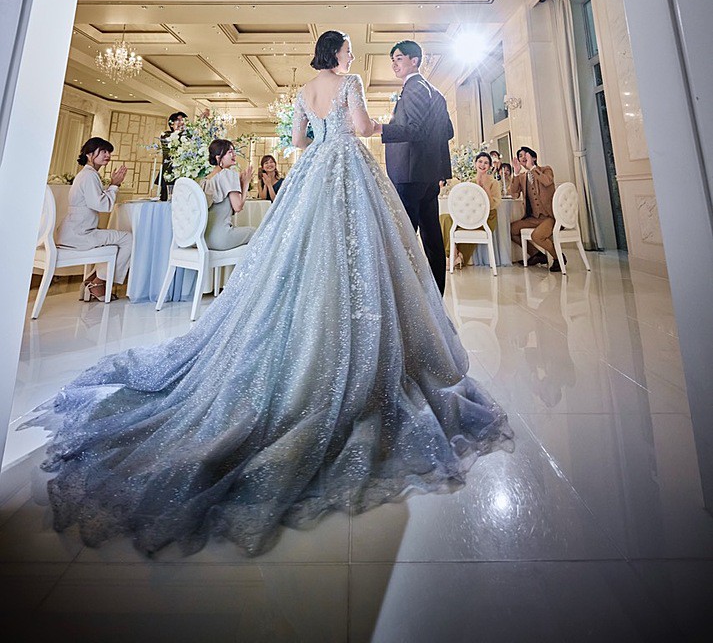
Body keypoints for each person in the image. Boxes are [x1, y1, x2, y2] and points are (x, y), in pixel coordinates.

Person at [25, 30, 512, 559]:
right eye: (348, 48)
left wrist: (326, 130)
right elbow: (360, 128)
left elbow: (298, 142)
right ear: (338, 53)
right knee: (362, 252)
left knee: (300, 256)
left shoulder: (304, 89)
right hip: (349, 168)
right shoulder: (349, 81)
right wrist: (373, 126)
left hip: (313, 173)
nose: (352, 55)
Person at [377, 39, 454, 295]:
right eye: (392, 60)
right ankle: (435, 294)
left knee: (406, 237)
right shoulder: (436, 92)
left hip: (410, 174)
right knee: (432, 237)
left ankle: (408, 298)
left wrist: (380, 128)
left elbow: (414, 130)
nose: (394, 64)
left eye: (399, 58)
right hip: (428, 175)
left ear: (414, 60)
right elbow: (448, 132)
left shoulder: (414, 88)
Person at [57, 137, 132, 301]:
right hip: (80, 234)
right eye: (103, 151)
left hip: (73, 232)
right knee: (128, 239)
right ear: (89, 154)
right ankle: (98, 283)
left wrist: (112, 184)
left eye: (109, 152)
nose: (108, 155)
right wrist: (114, 185)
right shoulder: (89, 176)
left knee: (115, 242)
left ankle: (92, 280)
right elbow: (102, 205)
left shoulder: (87, 174)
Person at [509, 146, 565, 272]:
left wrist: (532, 168)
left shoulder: (546, 170)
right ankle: (536, 254)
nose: (522, 158)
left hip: (550, 217)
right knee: (512, 230)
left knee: (537, 236)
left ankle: (558, 258)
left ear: (533, 157)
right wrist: (516, 173)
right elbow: (514, 193)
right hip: (534, 218)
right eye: (520, 156)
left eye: (525, 155)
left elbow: (547, 181)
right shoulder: (522, 177)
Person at [201, 139, 255, 250]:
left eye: (234, 151)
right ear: (218, 158)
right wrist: (246, 183)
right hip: (221, 239)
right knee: (258, 232)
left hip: (204, 240)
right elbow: (238, 207)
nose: (234, 154)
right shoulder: (228, 174)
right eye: (230, 152)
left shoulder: (205, 180)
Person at [155, 111, 188, 201]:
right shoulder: (166, 135)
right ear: (171, 123)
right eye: (178, 120)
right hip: (168, 172)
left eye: (183, 120)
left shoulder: (188, 137)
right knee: (166, 198)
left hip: (183, 172)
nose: (181, 123)